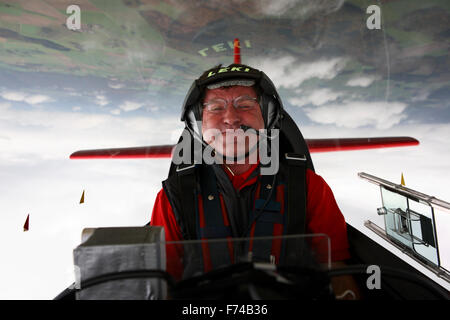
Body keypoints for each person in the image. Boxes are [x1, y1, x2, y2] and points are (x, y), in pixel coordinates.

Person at [150, 63, 360, 299]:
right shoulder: (175, 195)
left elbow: (336, 269)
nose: (231, 118)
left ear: (268, 116)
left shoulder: (308, 186)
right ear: (198, 125)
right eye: (216, 107)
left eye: (245, 105)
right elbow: (164, 283)